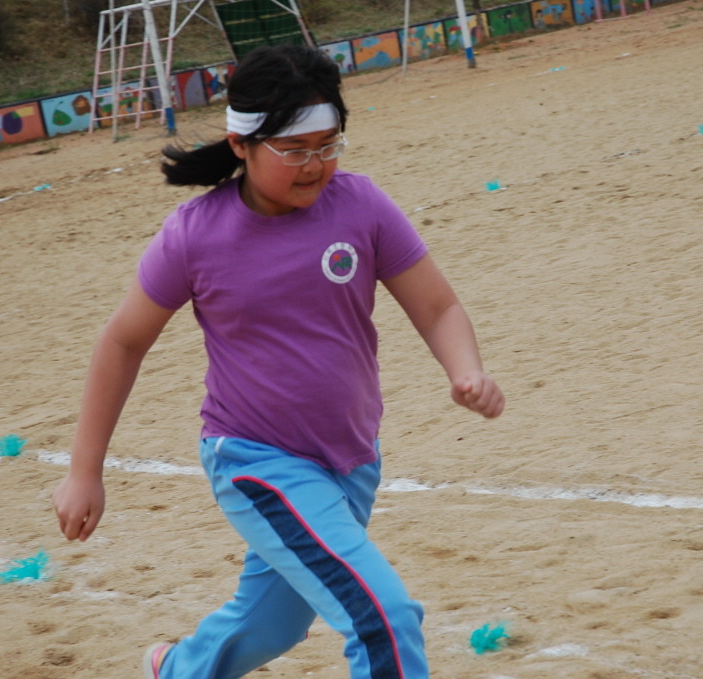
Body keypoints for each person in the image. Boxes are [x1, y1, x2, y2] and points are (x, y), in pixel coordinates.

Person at [52, 44, 504, 679]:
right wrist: (84, 471)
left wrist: (465, 369)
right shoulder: (194, 235)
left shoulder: (361, 205)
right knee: (382, 617)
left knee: (272, 625)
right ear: (242, 144)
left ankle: (176, 671)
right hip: (256, 460)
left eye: (327, 145)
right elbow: (122, 343)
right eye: (294, 150)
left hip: (351, 459)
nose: (314, 165)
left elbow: (437, 306)